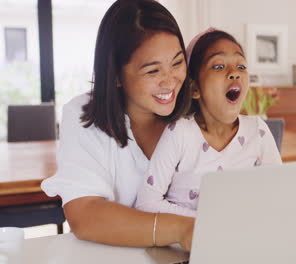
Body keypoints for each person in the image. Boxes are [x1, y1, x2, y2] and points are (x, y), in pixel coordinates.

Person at [41, 0, 194, 250]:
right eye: (153, 71)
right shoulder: (81, 116)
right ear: (116, 75)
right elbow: (85, 214)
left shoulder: (194, 114)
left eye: (177, 63)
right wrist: (181, 229)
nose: (170, 81)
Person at [135, 29, 282, 216]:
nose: (234, 73)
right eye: (219, 66)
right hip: (188, 244)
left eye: (241, 66)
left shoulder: (258, 131)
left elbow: (278, 194)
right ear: (195, 88)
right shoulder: (179, 133)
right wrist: (208, 222)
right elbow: (146, 203)